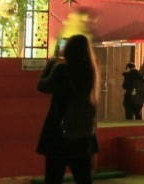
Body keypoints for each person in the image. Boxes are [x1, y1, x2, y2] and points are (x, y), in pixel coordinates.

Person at [36, 34, 99, 184]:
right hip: (83, 132)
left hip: (59, 131)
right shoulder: (90, 70)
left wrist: (50, 65)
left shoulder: (62, 69)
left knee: (53, 177)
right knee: (83, 177)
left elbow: (42, 86)